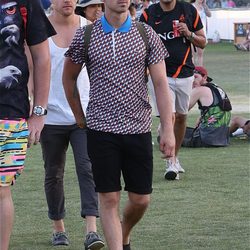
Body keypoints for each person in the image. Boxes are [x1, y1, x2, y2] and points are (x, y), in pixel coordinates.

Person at [62, 0, 175, 249]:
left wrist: (167, 127)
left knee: (141, 199)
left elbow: (160, 84)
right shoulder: (87, 33)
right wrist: (79, 116)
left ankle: (123, 234)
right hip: (101, 129)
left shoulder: (146, 34)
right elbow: (68, 77)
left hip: (138, 128)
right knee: (109, 198)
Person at [38, 0, 104, 249]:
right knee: (53, 173)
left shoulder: (90, 27)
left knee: (87, 168)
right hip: (50, 116)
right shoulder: (39, 28)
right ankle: (58, 229)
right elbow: (33, 70)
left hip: (84, 114)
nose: (67, 1)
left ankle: (91, 230)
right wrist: (36, 110)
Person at [0, 1, 56, 250]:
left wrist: (40, 112)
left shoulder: (24, 3)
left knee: (0, 189)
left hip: (9, 112)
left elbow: (42, 57)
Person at [140, 0, 206, 180]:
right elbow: (141, 45)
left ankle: (175, 157)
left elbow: (203, 42)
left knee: (182, 117)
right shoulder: (148, 14)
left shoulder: (188, 10)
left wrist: (189, 33)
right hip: (159, 75)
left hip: (184, 73)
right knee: (169, 115)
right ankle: (170, 163)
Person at [182, 66, 232, 147]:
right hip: (222, 139)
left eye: (195, 77)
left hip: (206, 139)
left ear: (204, 77)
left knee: (166, 133)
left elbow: (181, 111)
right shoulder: (216, 88)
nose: (192, 80)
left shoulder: (199, 90)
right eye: (190, 78)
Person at [190, 0, 211, 66]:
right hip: (193, 32)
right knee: (192, 54)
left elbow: (209, 15)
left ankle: (200, 71)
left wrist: (205, 5)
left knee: (200, 54)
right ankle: (192, 70)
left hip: (202, 33)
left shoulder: (203, 7)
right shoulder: (191, 6)